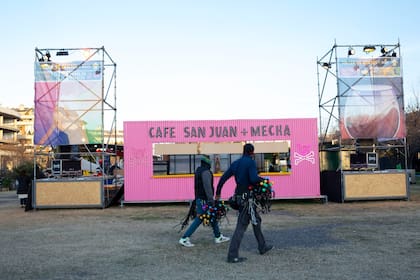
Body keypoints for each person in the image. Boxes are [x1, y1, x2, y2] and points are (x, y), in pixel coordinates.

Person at [215, 143, 273, 263]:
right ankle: (232, 255)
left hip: (239, 198)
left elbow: (223, 178)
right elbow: (253, 178)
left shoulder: (236, 163)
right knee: (241, 227)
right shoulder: (250, 162)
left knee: (256, 221)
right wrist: (264, 180)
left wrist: (218, 192)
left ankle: (262, 246)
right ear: (252, 152)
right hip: (248, 200)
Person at [179, 155, 230, 247]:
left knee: (213, 217)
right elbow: (208, 187)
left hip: (199, 198)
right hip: (204, 200)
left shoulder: (198, 170)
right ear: (208, 162)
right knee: (200, 218)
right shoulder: (206, 172)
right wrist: (211, 200)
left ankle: (218, 236)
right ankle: (185, 238)